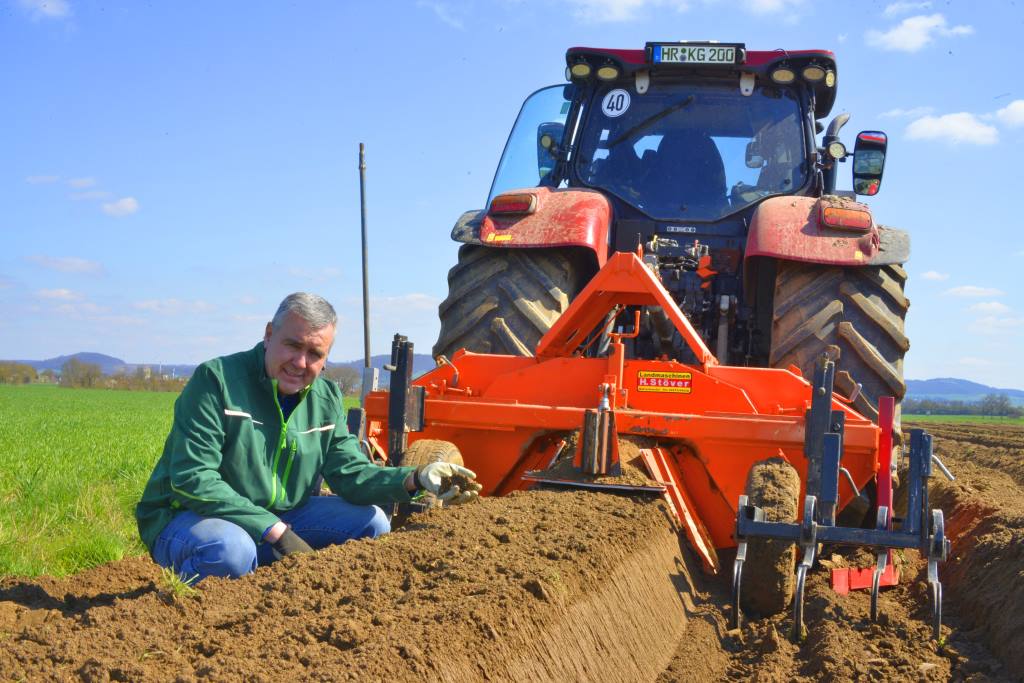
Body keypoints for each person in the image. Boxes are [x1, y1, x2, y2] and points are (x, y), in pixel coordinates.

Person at [135, 292, 480, 582]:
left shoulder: (325, 398)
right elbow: (192, 479)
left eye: (315, 354)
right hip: (189, 516)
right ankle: (179, 610)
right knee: (230, 551)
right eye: (292, 345)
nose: (300, 362)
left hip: (281, 517)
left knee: (373, 521)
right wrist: (275, 531)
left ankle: (282, 592)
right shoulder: (217, 382)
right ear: (269, 334)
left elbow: (352, 474)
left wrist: (415, 478)